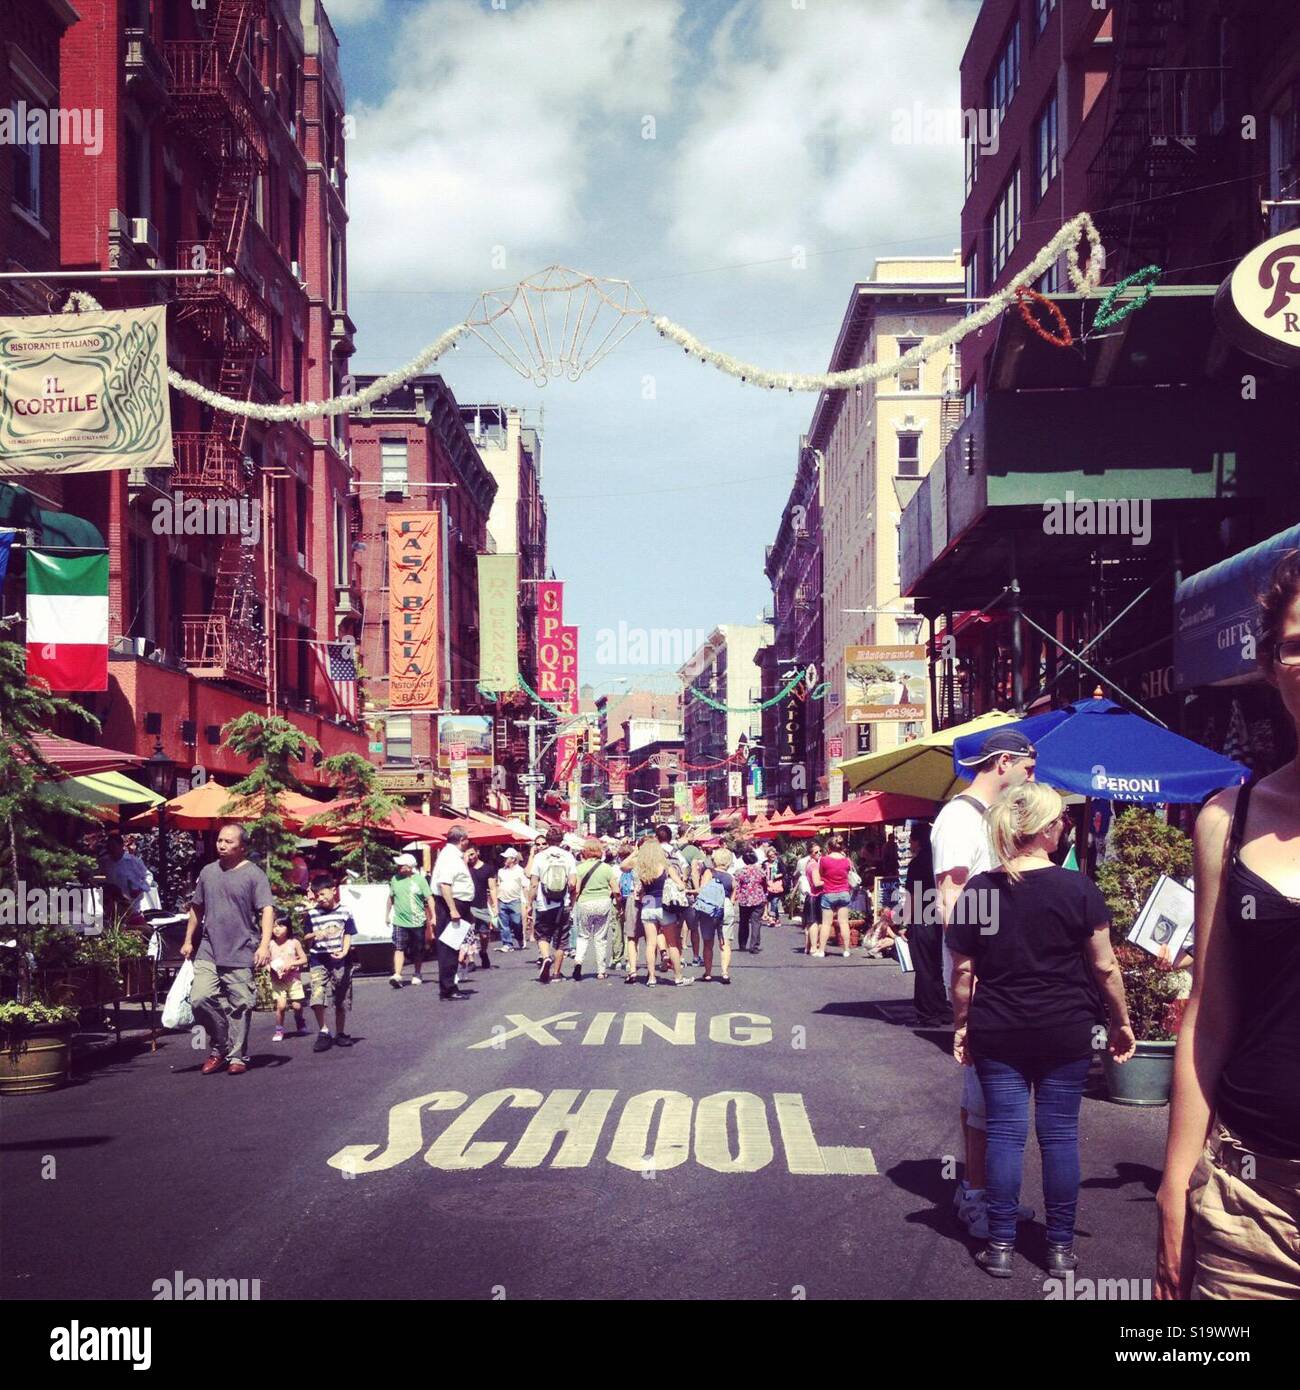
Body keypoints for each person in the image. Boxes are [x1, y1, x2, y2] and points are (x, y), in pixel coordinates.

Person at [1157, 549, 1300, 1300]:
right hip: (1254, 1207)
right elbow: (1208, 1016)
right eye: (1296, 643)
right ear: (1272, 666)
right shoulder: (1228, 818)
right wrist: (1176, 1182)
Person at [948, 782, 1134, 1277]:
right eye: (1061, 822)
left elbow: (963, 972)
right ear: (1047, 830)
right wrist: (1121, 1021)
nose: (1065, 829)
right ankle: (1057, 1248)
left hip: (999, 1028)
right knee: (1059, 1137)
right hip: (1066, 1028)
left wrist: (962, 1025)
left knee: (1006, 1136)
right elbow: (1106, 967)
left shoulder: (981, 890)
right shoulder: (1079, 888)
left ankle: (1002, 1245)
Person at [932, 727, 1038, 1238]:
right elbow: (950, 899)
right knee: (981, 1087)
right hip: (979, 967)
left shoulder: (989, 819)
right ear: (1002, 763)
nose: (1030, 777)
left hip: (997, 965)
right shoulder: (958, 817)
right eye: (1028, 768)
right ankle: (977, 1197)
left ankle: (986, 1190)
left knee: (993, 1088)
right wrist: (978, 960)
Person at [182, 823, 273, 1077]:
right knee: (200, 998)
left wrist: (264, 945)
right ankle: (220, 1044)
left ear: (242, 847)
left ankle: (236, 1056)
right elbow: (196, 908)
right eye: (220, 840)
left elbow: (267, 909)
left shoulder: (255, 875)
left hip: (241, 949)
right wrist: (189, 939)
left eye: (228, 842)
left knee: (241, 1004)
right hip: (209, 948)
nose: (221, 845)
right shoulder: (208, 872)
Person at [624, 830, 691, 987]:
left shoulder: (642, 868)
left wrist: (635, 852)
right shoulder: (666, 867)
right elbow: (681, 886)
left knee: (650, 944)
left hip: (648, 903)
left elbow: (623, 866)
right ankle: (678, 977)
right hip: (664, 905)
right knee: (672, 943)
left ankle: (651, 978)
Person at [901, 824, 950, 1027]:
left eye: (911, 840)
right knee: (936, 964)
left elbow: (912, 896)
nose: (910, 844)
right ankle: (940, 1007)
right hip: (940, 917)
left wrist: (905, 923)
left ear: (918, 841)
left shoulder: (916, 864)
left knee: (923, 967)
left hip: (922, 918)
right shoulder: (939, 862)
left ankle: (927, 1012)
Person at [303, 873, 358, 1051]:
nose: (320, 898)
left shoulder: (345, 911)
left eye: (323, 894)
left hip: (340, 959)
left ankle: (340, 1033)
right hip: (318, 958)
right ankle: (324, 1031)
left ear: (333, 891)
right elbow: (306, 937)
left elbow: (348, 933)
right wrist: (314, 935)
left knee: (341, 996)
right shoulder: (312, 914)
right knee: (317, 994)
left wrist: (344, 951)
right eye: (317, 895)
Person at [430, 826, 474, 1001]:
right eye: (467, 839)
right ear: (462, 839)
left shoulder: (452, 855)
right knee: (448, 947)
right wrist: (453, 909)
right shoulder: (449, 857)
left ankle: (450, 985)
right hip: (452, 905)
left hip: (456, 904)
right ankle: (448, 988)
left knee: (453, 946)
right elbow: (445, 884)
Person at [528, 826, 576, 984]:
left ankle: (546, 957)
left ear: (547, 840)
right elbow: (573, 883)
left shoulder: (540, 857)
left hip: (544, 903)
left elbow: (534, 884)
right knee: (562, 939)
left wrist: (529, 903)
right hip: (563, 903)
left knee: (542, 934)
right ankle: (556, 973)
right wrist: (572, 901)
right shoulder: (568, 857)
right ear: (561, 840)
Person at [572, 838, 618, 980]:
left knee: (583, 936)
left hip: (585, 903)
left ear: (584, 852)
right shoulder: (607, 868)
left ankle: (578, 961)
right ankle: (601, 971)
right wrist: (619, 902)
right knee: (600, 937)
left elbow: (576, 890)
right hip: (603, 903)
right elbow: (616, 889)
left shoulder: (579, 868)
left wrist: (573, 905)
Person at [387, 852, 433, 988]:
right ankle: (397, 974)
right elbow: (391, 898)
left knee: (417, 949)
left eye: (402, 865)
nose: (398, 867)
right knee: (398, 947)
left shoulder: (420, 880)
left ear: (410, 867)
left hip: (417, 921)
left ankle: (417, 973)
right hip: (399, 920)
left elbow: (429, 898)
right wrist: (386, 914)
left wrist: (434, 916)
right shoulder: (394, 879)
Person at [696, 847, 736, 983]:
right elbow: (733, 897)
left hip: (711, 907)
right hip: (726, 906)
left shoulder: (709, 873)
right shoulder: (731, 877)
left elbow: (702, 890)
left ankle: (708, 973)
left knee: (708, 942)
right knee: (725, 943)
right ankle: (725, 972)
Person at [267, 913, 308, 1042]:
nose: (277, 929)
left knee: (297, 1006)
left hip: (293, 979)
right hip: (277, 980)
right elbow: (266, 962)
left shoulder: (294, 942)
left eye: (280, 925)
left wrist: (291, 964)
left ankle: (299, 1020)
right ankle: (279, 1030)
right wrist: (271, 969)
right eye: (274, 926)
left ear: (288, 927)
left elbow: (304, 959)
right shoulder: (270, 943)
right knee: (281, 1006)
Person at [818, 835, 856, 959]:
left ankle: (821, 950)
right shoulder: (847, 861)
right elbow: (848, 873)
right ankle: (846, 950)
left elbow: (821, 875)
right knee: (844, 923)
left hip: (829, 892)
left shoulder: (824, 860)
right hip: (844, 893)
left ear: (829, 847)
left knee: (826, 924)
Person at [98, 832, 152, 921]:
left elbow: (148, 875)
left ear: (121, 845)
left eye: (114, 846)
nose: (111, 850)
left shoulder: (133, 861)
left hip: (132, 907)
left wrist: (141, 888)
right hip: (112, 907)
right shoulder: (105, 862)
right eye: (109, 847)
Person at [463, 844, 495, 972]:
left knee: (484, 934)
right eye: (467, 855)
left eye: (471, 854)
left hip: (481, 905)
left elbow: (492, 888)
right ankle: (471, 960)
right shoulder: (464, 868)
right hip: (467, 905)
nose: (470, 857)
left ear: (477, 852)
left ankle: (483, 951)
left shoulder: (487, 868)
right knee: (468, 933)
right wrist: (464, 864)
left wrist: (495, 905)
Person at [679, 833, 707, 966]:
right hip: (689, 893)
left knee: (675, 926)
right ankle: (696, 957)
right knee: (694, 927)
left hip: (674, 893)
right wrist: (697, 890)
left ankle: (677, 957)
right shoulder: (693, 850)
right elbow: (695, 871)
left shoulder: (673, 848)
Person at [734, 849, 767, 953]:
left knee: (743, 922)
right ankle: (754, 946)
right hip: (758, 899)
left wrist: (735, 897)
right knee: (756, 922)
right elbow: (765, 884)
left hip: (744, 899)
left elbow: (737, 886)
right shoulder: (760, 871)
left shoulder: (739, 872)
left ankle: (742, 944)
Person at [494, 847, 527, 952]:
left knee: (517, 923)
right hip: (502, 900)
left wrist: (526, 901)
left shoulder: (520, 871)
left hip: (515, 900)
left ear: (513, 859)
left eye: (506, 858)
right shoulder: (501, 871)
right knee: (504, 924)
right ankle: (507, 943)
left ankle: (520, 938)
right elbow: (498, 884)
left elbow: (525, 885)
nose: (504, 860)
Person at [618, 845, 642, 984]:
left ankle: (632, 969)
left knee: (632, 936)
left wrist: (635, 852)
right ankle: (652, 974)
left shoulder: (636, 861)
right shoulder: (656, 861)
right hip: (652, 900)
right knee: (653, 938)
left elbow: (622, 866)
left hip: (635, 899)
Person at [798, 842, 823, 954]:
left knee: (810, 923)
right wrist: (829, 881)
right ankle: (814, 947)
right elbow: (816, 883)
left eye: (820, 851)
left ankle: (807, 947)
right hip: (815, 896)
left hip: (811, 897)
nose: (819, 853)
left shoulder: (809, 864)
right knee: (815, 922)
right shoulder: (814, 865)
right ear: (811, 854)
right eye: (816, 852)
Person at [763, 845, 786, 926]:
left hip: (776, 885)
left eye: (773, 855)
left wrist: (778, 875)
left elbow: (784, 872)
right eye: (770, 856)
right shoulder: (765, 863)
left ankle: (772, 918)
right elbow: (762, 872)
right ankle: (777, 919)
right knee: (773, 902)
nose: (772, 857)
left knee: (774, 902)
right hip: (768, 885)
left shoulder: (779, 862)